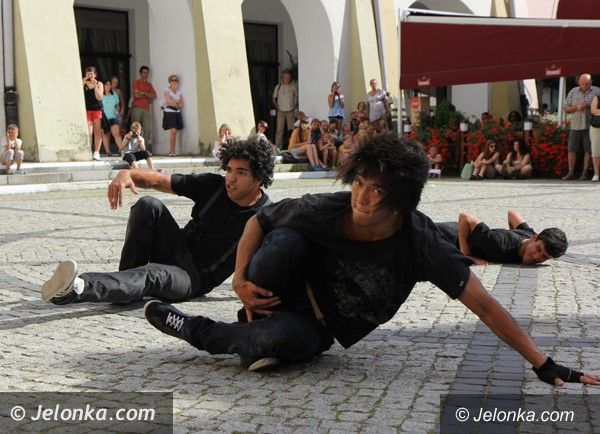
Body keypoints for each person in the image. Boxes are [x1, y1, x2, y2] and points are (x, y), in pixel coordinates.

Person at [144, 133, 599, 386]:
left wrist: (542, 363)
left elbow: (485, 306)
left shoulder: (420, 242)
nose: (362, 198)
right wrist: (240, 280)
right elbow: (258, 222)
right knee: (282, 239)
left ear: (400, 198)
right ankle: (251, 319)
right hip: (283, 283)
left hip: (318, 326)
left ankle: (197, 329)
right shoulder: (329, 207)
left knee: (269, 341)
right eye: (359, 183)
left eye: (377, 190)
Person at [40, 137, 274, 305]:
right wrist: (127, 174)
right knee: (148, 205)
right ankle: (125, 286)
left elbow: (274, 264)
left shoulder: (265, 216)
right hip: (177, 246)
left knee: (152, 274)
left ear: (259, 178)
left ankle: (77, 288)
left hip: (192, 277)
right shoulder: (214, 186)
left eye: (241, 173)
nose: (231, 178)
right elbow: (159, 181)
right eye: (229, 170)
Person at [435, 209, 568, 265]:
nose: (536, 257)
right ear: (535, 238)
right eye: (538, 249)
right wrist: (465, 255)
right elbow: (465, 217)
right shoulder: (499, 243)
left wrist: (512, 232)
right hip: (445, 235)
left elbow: (512, 214)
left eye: (544, 257)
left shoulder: (528, 234)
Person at [563, 74, 599, 180]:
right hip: (575, 125)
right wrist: (577, 108)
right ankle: (570, 172)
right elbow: (565, 108)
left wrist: (590, 106)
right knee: (572, 149)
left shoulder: (597, 91)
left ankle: (584, 173)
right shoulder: (573, 91)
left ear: (591, 82)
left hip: (590, 126)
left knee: (588, 150)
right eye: (582, 83)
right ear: (579, 82)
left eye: (587, 83)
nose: (585, 86)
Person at [131, 66, 157, 151]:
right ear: (140, 73)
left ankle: (143, 149)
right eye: (144, 72)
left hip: (146, 109)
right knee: (135, 129)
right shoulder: (136, 82)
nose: (145, 74)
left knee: (147, 129)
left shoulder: (149, 85)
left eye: (147, 72)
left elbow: (154, 95)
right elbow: (136, 95)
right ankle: (134, 149)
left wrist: (143, 93)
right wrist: (148, 95)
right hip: (137, 108)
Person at [82, 66, 104, 161]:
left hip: (97, 110)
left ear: (95, 74)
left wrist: (95, 86)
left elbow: (99, 97)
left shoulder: (99, 83)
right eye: (88, 73)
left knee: (97, 132)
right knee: (89, 132)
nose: (90, 75)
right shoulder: (83, 83)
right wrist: (83, 82)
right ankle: (89, 152)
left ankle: (96, 152)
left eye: (91, 73)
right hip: (87, 110)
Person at [272, 69, 298, 150]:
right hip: (280, 111)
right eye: (285, 77)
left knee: (292, 130)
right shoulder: (278, 86)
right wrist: (277, 107)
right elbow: (274, 98)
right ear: (282, 78)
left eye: (288, 77)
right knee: (279, 130)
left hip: (290, 111)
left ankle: (292, 147)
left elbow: (297, 97)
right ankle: (278, 148)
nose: (287, 79)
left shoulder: (293, 87)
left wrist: (294, 106)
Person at [162, 74, 185, 157]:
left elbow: (182, 104)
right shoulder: (167, 90)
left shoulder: (179, 92)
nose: (174, 81)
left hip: (177, 112)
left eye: (176, 80)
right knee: (173, 131)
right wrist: (177, 102)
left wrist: (174, 102)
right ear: (169, 82)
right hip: (169, 112)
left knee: (175, 132)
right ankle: (172, 151)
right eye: (172, 80)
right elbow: (168, 101)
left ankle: (172, 150)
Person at [101, 79, 122, 156]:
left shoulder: (114, 95)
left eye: (110, 84)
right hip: (104, 118)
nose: (108, 86)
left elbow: (117, 105)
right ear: (103, 85)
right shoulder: (100, 95)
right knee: (105, 135)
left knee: (117, 134)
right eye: (107, 84)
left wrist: (117, 112)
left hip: (113, 117)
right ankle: (108, 152)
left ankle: (122, 150)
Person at [590, 94, 600, 182]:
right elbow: (593, 110)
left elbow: (597, 111)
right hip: (597, 128)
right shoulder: (597, 97)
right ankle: (596, 174)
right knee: (596, 151)